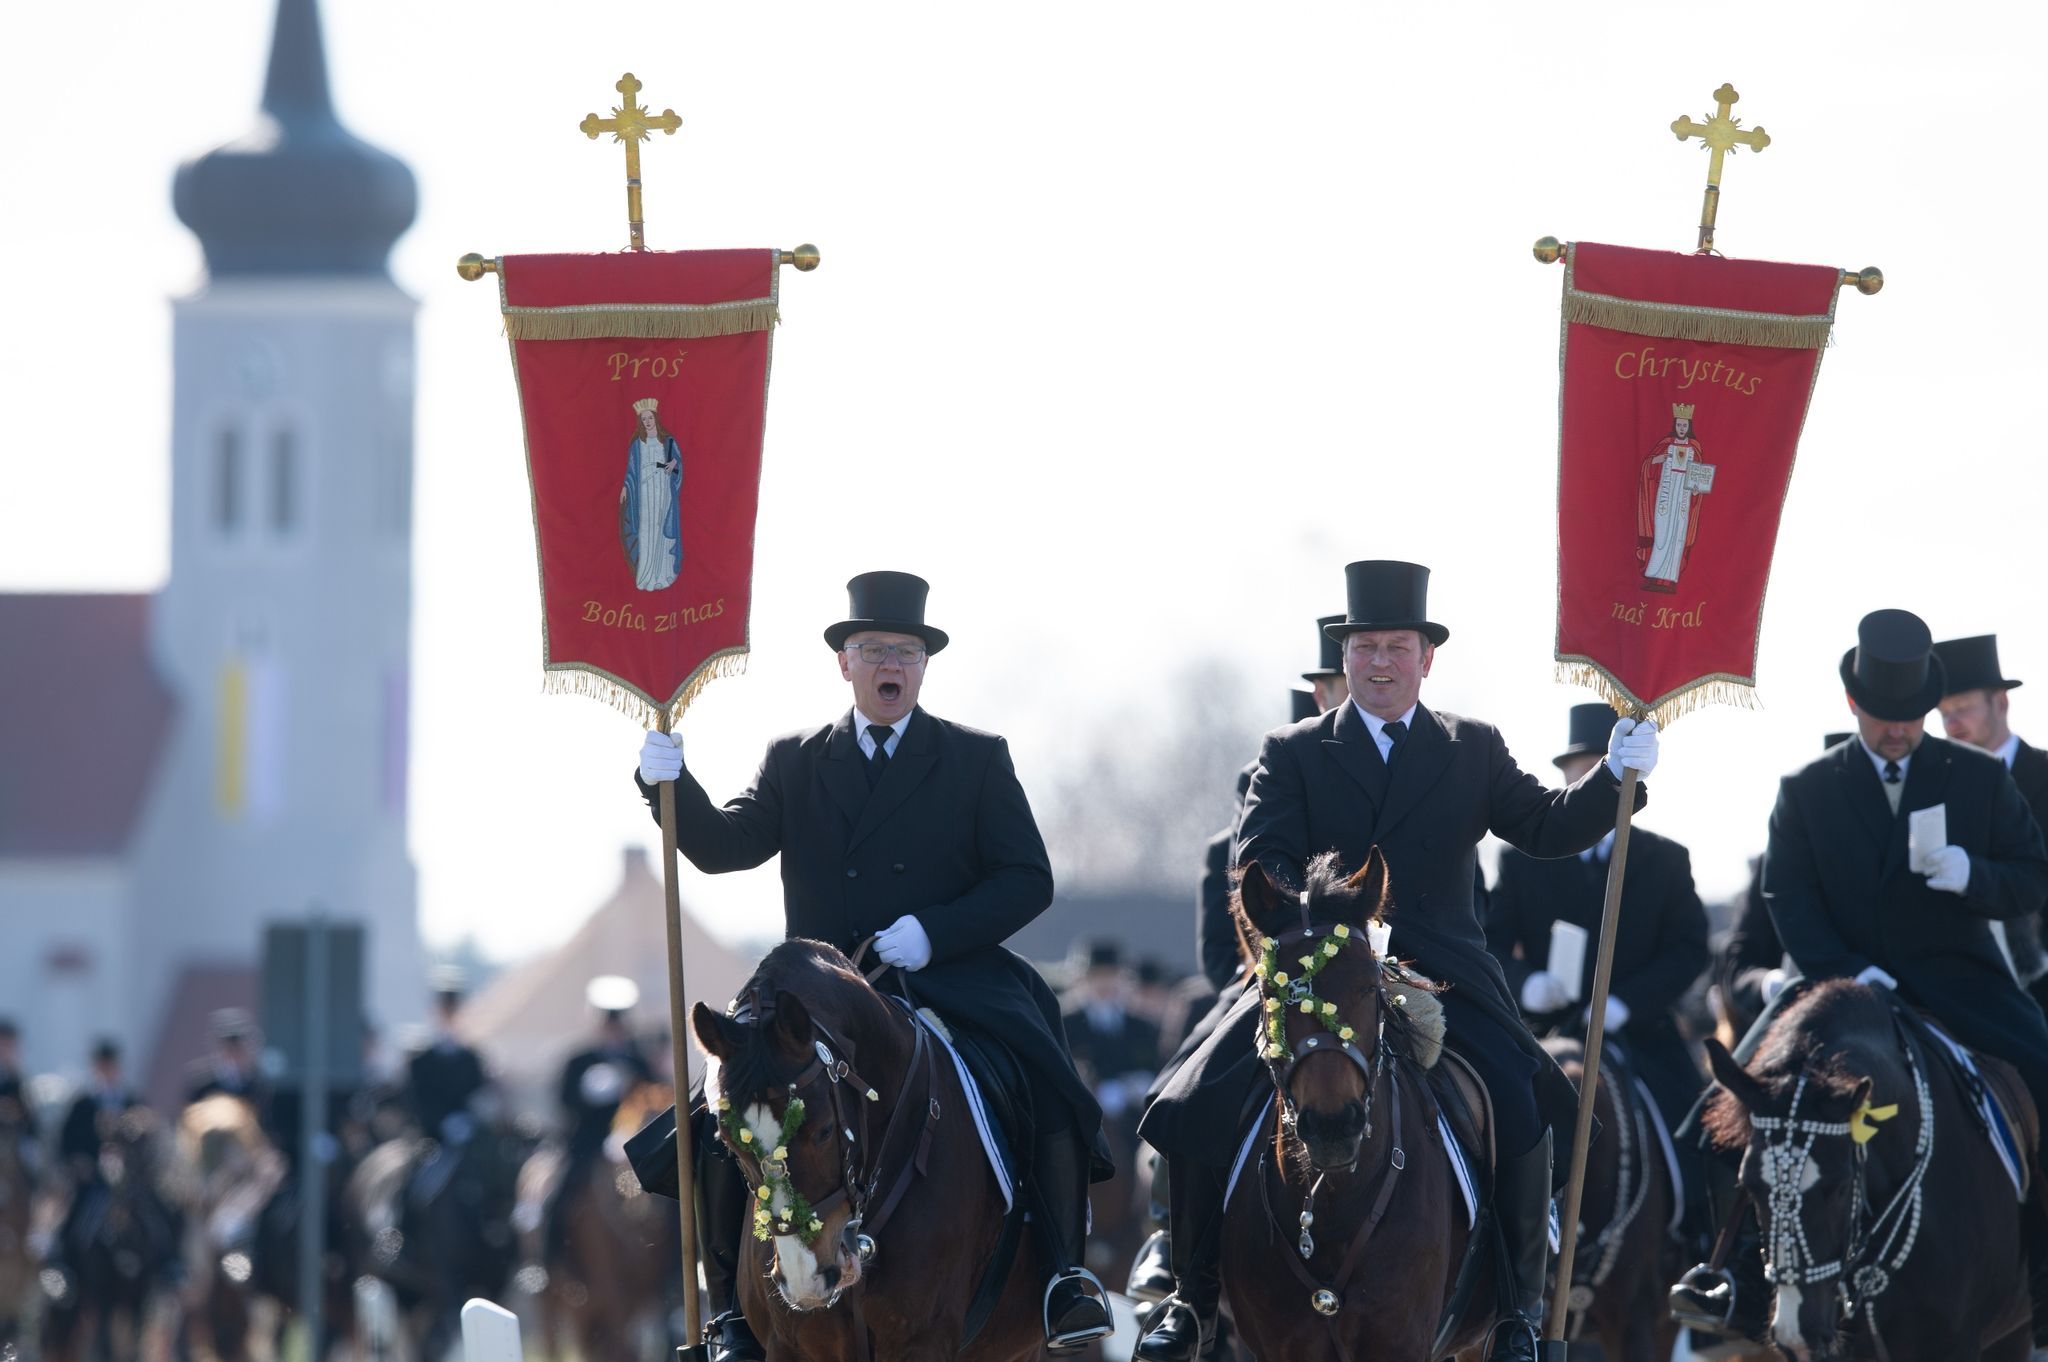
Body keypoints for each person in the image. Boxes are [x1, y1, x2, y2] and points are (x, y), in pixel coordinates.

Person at [1136, 560, 1658, 1362]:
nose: (1381, 662)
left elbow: (1546, 827)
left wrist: (1615, 777)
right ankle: (1193, 1299)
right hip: (1318, 967)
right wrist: (1319, 924)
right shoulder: (1294, 750)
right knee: (1195, 1095)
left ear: (1426, 657)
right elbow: (1261, 857)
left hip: (1444, 969)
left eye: (1398, 646)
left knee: (1526, 1100)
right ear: (1345, 659)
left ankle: (1517, 1312)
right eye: (1366, 646)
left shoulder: (1470, 746)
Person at [632, 570, 1113, 1358]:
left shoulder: (975, 758)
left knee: (1048, 1084)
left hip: (948, 976)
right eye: (873, 648)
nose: (891, 663)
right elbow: (726, 849)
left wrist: (934, 931)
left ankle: (1062, 1277)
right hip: (815, 999)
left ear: (923, 666)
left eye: (906, 651)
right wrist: (671, 786)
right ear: (844, 663)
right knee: (724, 1114)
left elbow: (1029, 878)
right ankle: (729, 1313)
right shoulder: (796, 759)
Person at [1672, 609, 2048, 1344]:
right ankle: (1733, 1280)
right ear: (1854, 706)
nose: (1899, 731)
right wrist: (1848, 970)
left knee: (2045, 1068)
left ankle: (2041, 1266)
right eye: (1884, 718)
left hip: (1959, 981)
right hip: (1838, 987)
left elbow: (2033, 878)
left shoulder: (1974, 778)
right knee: (1715, 1120)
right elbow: (1788, 896)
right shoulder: (1808, 788)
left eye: (1912, 717)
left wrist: (1975, 874)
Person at [1487, 702, 1710, 1245]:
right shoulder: (1522, 860)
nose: (1590, 779)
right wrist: (1526, 984)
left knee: (1699, 1123)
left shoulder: (1665, 859)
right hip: (1546, 1030)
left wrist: (1628, 1003)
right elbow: (1489, 941)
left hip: (1638, 1032)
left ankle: (1699, 1247)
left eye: (1602, 767)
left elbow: (1690, 948)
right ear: (1566, 776)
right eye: (1581, 770)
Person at [1936, 633, 2048, 995]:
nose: (1952, 724)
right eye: (1944, 713)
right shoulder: (1937, 793)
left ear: (2000, 703)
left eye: (1963, 708)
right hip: (1972, 983)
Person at [543, 976, 656, 1267]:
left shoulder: (639, 1061)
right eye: (609, 1023)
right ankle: (551, 1262)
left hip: (635, 1146)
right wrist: (587, 1094)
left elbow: (658, 1098)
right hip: (588, 1144)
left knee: (671, 1202)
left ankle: (673, 1278)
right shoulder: (579, 1060)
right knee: (560, 1194)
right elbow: (564, 1102)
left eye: (618, 1023)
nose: (614, 1029)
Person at [619, 397, 682, 591]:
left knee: (660, 529)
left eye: (650, 418)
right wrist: (625, 488)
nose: (647, 422)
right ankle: (646, 575)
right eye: (643, 419)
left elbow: (677, 467)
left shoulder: (668, 441)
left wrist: (674, 465)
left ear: (655, 418)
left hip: (663, 492)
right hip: (645, 495)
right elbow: (631, 472)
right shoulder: (637, 444)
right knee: (647, 532)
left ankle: (662, 574)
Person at [184, 1008, 270, 1120]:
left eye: (240, 1047)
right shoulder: (201, 1082)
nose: (235, 1053)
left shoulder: (258, 1083)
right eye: (229, 1047)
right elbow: (188, 1116)